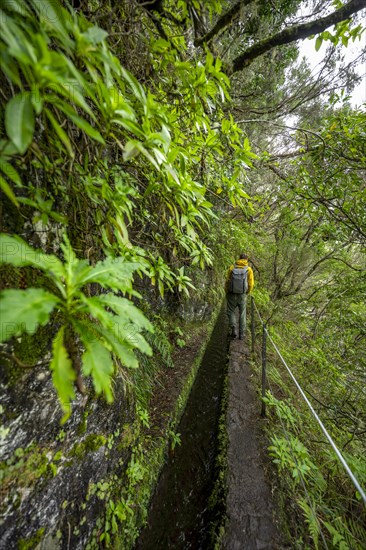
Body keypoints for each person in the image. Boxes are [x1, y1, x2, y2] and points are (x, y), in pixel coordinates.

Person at [225, 253, 254, 339]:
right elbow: (251, 284)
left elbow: (227, 281)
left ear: (239, 259)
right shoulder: (249, 269)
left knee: (230, 311)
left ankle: (233, 328)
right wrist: (247, 292)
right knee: (242, 313)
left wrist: (227, 291)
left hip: (231, 294)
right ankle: (242, 334)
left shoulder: (232, 267)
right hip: (242, 295)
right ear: (246, 260)